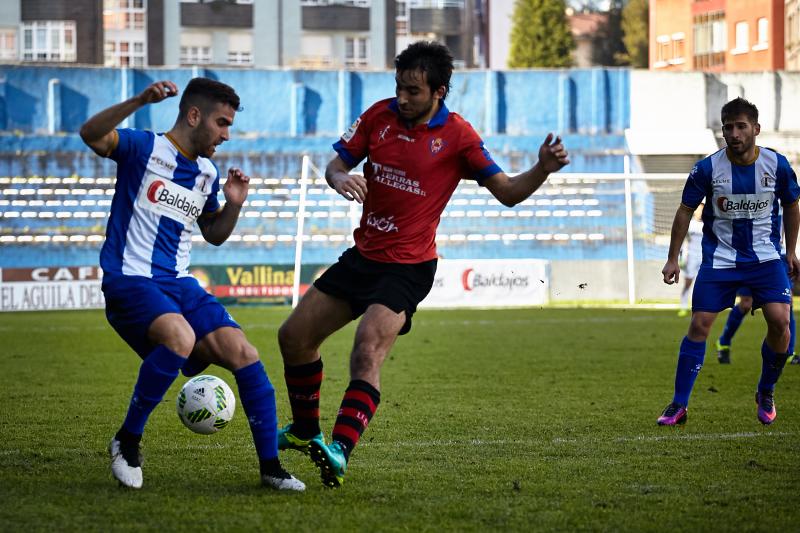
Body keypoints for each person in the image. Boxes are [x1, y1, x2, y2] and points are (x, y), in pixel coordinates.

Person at [274, 41, 570, 488]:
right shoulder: (378, 116)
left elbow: (507, 193)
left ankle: (339, 449)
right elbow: (335, 165)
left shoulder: (458, 136)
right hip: (363, 256)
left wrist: (541, 169)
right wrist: (339, 178)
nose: (403, 98)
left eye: (413, 90)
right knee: (294, 337)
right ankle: (304, 429)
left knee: (366, 347)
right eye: (399, 87)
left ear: (439, 91)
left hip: (408, 266)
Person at [79, 78, 304, 491]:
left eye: (229, 125)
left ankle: (271, 466)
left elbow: (214, 234)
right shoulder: (144, 148)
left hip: (178, 283)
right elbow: (91, 134)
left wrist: (233, 204)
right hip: (130, 277)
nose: (225, 134)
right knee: (180, 338)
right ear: (193, 115)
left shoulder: (206, 173)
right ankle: (127, 440)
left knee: (245, 353)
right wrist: (140, 100)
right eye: (221, 122)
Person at [658, 97, 800, 427]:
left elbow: (793, 203)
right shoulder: (707, 168)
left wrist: (790, 251)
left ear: (756, 129)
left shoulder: (776, 165)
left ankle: (766, 390)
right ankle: (679, 405)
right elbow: (683, 210)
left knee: (781, 322)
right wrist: (672, 258)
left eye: (740, 127)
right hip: (720, 260)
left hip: (766, 258)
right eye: (728, 128)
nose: (734, 134)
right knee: (699, 324)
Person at [677, 204, 703, 317]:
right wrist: (682, 256)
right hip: (691, 257)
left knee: (702, 284)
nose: (700, 211)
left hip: (704, 257)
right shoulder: (690, 223)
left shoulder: (707, 223)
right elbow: (682, 239)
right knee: (688, 283)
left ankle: (700, 308)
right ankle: (683, 306)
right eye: (699, 208)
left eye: (702, 208)